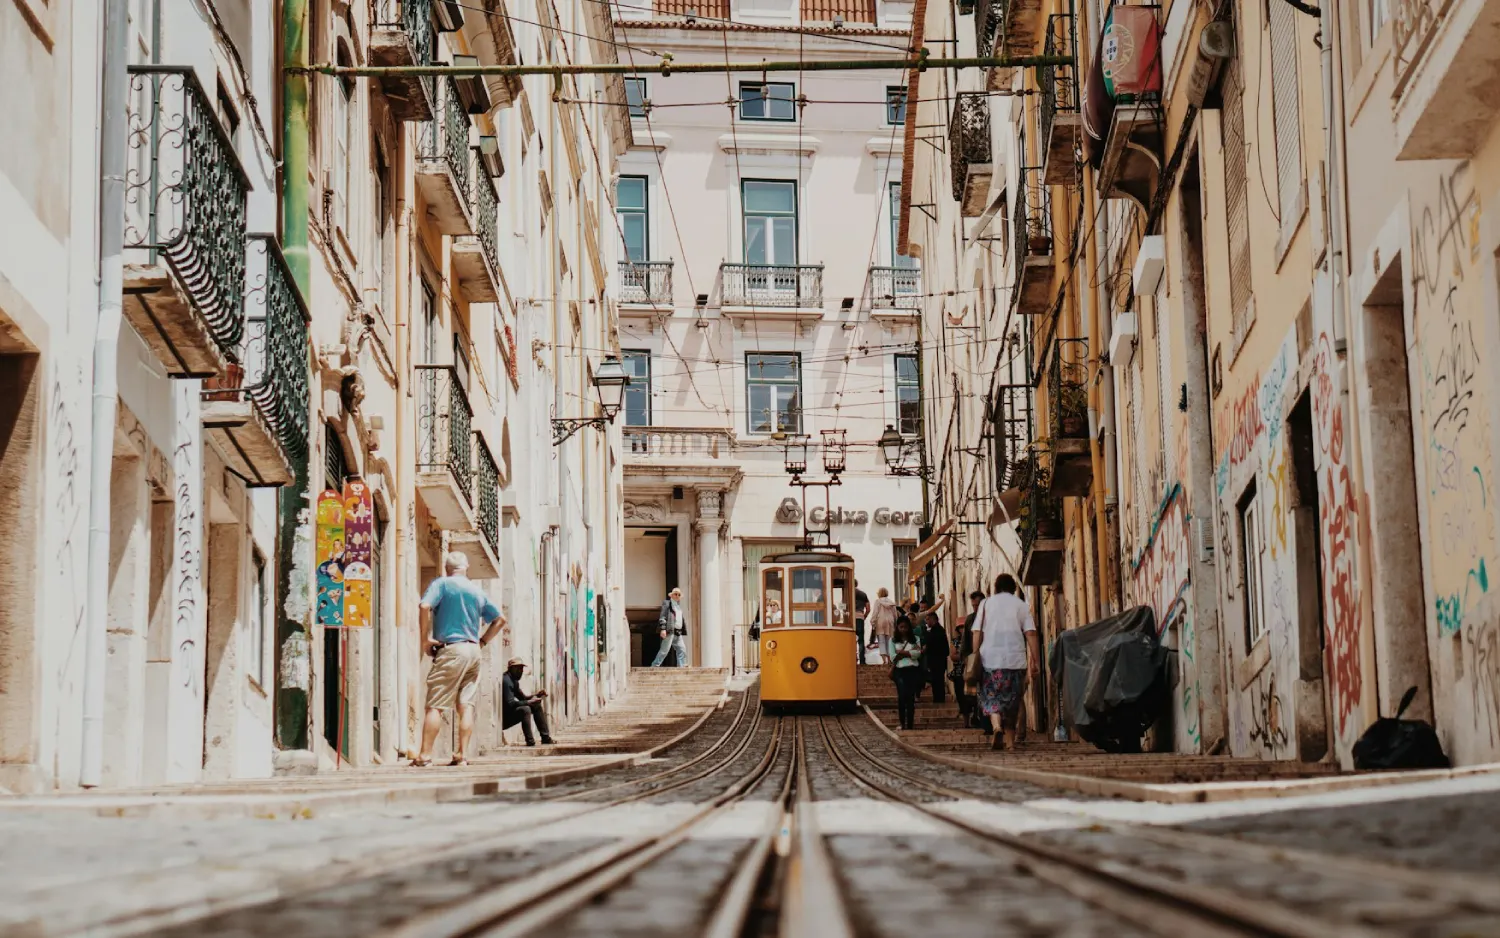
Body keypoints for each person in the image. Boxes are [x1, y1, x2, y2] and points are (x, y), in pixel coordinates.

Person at [414, 551, 506, 767]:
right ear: (466, 569)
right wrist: (482, 642)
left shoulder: (442, 584)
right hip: (473, 650)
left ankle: (425, 756)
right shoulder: (477, 590)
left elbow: (424, 606)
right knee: (466, 704)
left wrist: (425, 639)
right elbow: (500, 619)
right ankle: (462, 755)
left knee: (435, 705)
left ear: (447, 568)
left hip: (452, 649)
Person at [971, 574, 1039, 751]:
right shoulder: (1021, 605)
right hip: (1015, 661)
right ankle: (1010, 744)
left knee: (992, 697)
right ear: (1013, 588)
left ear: (996, 587)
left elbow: (977, 632)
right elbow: (1031, 633)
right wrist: (1035, 661)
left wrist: (974, 654)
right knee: (1012, 703)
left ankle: (996, 727)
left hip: (990, 660)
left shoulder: (986, 604)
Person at [502, 658, 554, 746]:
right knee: (525, 710)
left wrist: (537, 695)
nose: (521, 671)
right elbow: (510, 703)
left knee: (536, 705)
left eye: (522, 669)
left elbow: (523, 698)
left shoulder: (514, 681)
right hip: (504, 720)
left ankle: (545, 738)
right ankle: (530, 741)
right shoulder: (506, 681)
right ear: (511, 668)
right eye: (518, 668)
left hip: (509, 714)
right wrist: (529, 702)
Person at [952, 591, 985, 729]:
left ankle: (987, 723)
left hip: (991, 659)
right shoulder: (971, 619)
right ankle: (979, 719)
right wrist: (966, 659)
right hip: (974, 661)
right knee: (974, 693)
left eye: (977, 605)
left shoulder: (992, 617)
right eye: (973, 606)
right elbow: (965, 642)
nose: (975, 608)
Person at [889, 616, 924, 731]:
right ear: (897, 627)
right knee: (902, 697)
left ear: (909, 627)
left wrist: (903, 652)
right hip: (900, 671)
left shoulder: (916, 639)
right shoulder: (892, 640)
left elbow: (918, 654)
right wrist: (910, 653)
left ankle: (910, 724)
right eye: (901, 627)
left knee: (910, 698)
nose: (903, 629)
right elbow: (893, 656)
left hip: (913, 670)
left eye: (905, 627)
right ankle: (902, 723)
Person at [652, 586, 690, 667]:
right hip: (670, 630)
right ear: (671, 595)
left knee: (682, 650)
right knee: (664, 650)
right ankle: (655, 666)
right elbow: (663, 616)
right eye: (675, 594)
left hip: (678, 632)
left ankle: (682, 666)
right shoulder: (667, 603)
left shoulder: (678, 607)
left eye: (679, 595)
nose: (677, 596)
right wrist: (663, 629)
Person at [923, 609, 950, 705]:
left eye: (927, 619)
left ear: (932, 619)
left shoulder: (936, 631)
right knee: (937, 681)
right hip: (939, 660)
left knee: (937, 682)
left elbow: (933, 646)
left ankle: (939, 700)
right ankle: (939, 699)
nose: (926, 621)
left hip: (937, 660)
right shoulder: (938, 630)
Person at [867, 587, 900, 664]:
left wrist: (872, 622)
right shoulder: (892, 602)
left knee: (881, 641)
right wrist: (895, 624)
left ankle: (884, 660)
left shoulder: (878, 602)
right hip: (890, 622)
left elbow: (875, 613)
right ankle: (889, 659)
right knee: (889, 641)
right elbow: (895, 615)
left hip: (880, 622)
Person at [853, 580, 870, 666]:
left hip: (850, 619)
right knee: (861, 640)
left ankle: (852, 659)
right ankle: (862, 661)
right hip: (860, 617)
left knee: (851, 640)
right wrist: (864, 616)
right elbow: (868, 608)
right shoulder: (863, 594)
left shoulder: (848, 593)